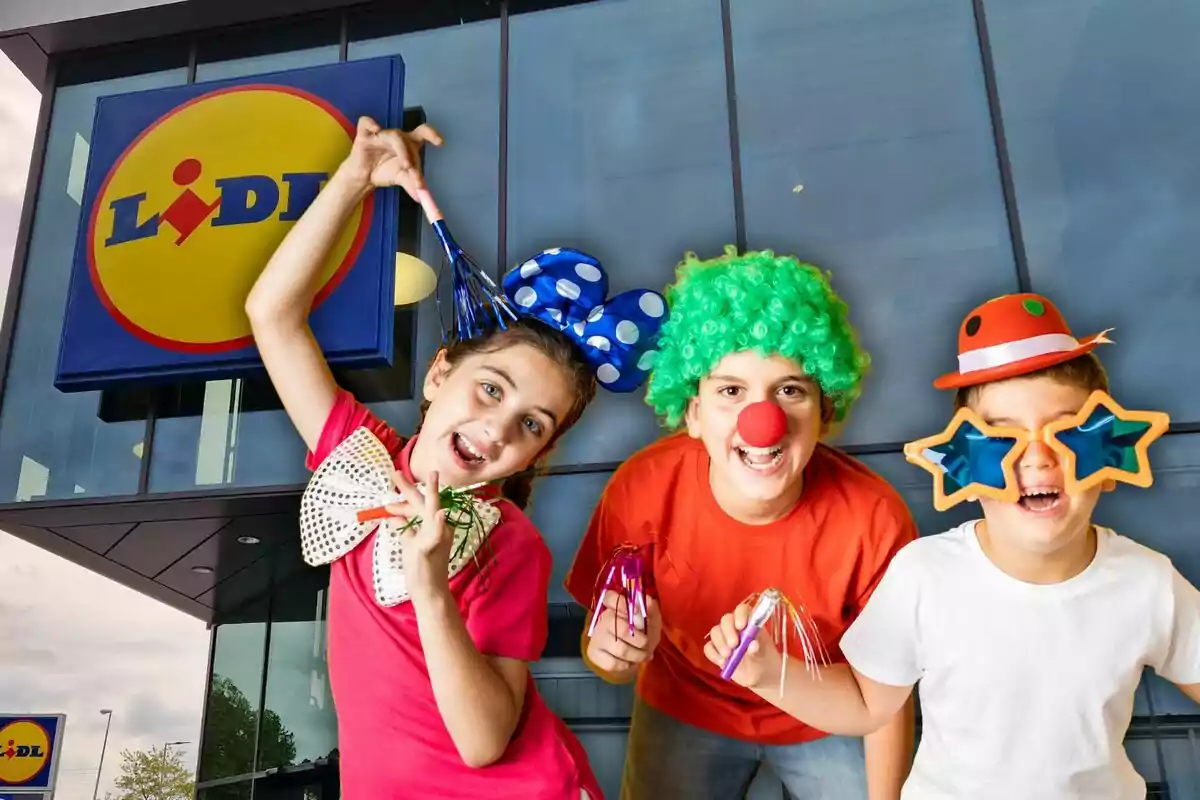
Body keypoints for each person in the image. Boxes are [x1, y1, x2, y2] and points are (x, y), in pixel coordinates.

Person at [247, 114, 666, 799]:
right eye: (489, 389)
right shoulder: (360, 456)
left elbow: (481, 743)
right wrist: (356, 179)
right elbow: (273, 314)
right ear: (440, 374)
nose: (496, 427)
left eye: (530, 423)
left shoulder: (510, 546)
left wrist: (431, 584)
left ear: (540, 450)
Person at [704, 292, 1200, 799]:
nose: (1036, 460)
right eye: (1002, 438)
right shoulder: (925, 575)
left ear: (1112, 452)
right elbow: (865, 702)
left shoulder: (1148, 583)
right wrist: (770, 674)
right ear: (963, 465)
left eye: (1068, 433)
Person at [564, 248, 917, 799]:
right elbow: (604, 647)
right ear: (693, 413)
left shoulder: (874, 519)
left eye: (790, 390)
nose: (763, 421)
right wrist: (612, 654)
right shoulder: (641, 490)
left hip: (823, 710)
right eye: (731, 391)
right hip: (685, 705)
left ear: (824, 412)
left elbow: (887, 695)